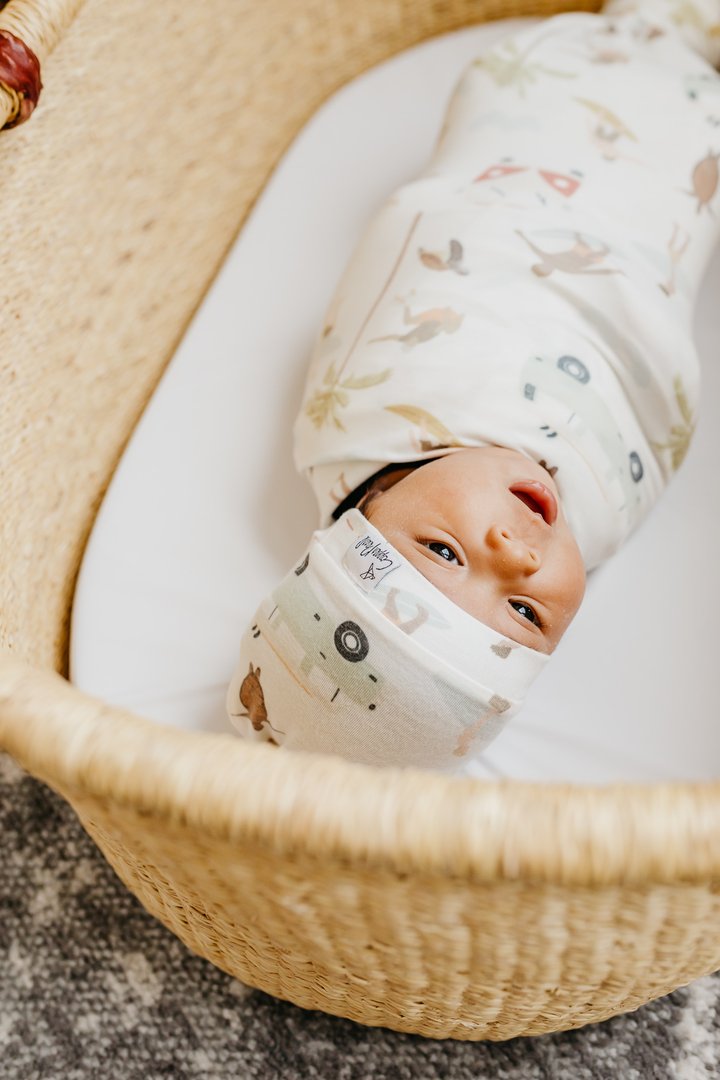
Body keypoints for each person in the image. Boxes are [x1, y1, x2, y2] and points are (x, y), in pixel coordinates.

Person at [226, 0, 720, 772]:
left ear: (368, 504)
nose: (514, 555)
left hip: (539, 149)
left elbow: (420, 243)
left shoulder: (367, 413)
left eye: (444, 552)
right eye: (524, 612)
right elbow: (648, 415)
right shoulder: (588, 521)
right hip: (658, 239)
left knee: (620, 96)